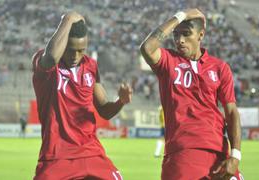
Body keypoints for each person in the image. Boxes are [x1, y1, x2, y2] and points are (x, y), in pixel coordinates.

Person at [140, 9, 243, 180]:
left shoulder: (220, 67)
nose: (179, 40)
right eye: (176, 35)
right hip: (183, 153)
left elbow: (231, 112)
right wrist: (180, 15)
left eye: (186, 34)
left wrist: (235, 156)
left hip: (220, 153)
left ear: (201, 35)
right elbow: (147, 48)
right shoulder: (168, 61)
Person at [32, 11, 132, 180]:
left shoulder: (91, 66)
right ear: (63, 44)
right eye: (71, 50)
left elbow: (105, 110)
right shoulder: (46, 64)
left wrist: (120, 101)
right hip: (57, 155)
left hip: (91, 152)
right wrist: (68, 18)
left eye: (81, 50)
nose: (76, 56)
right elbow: (50, 57)